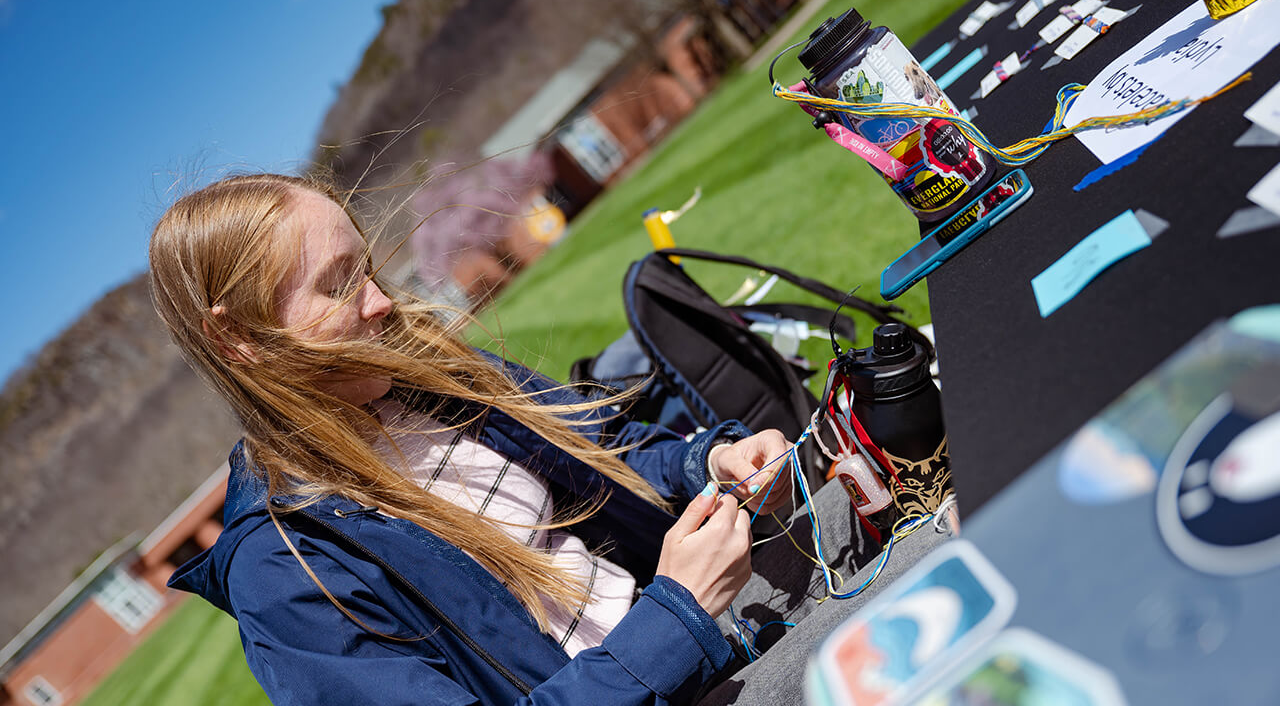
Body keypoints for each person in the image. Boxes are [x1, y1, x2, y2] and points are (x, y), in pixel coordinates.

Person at [150, 173, 950, 706]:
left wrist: (707, 458)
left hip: (717, 627)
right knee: (949, 573)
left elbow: (603, 445)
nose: (381, 304)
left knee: (931, 470)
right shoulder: (285, 567)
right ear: (240, 342)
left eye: (367, 269)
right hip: (688, 664)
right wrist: (674, 618)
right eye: (336, 285)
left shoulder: (426, 374)